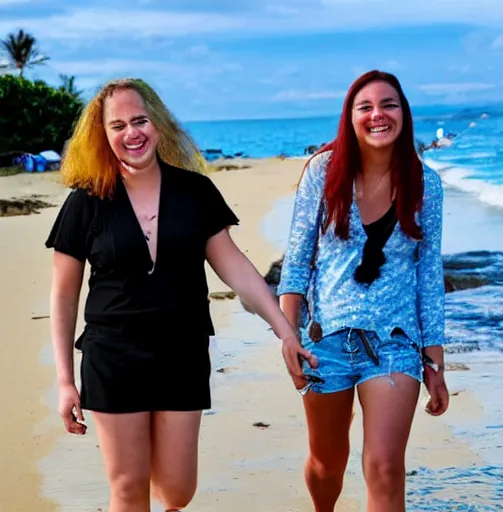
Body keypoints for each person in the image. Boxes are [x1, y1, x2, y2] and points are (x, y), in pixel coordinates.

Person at [45, 77, 316, 512]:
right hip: (113, 355)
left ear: (158, 125)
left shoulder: (195, 192)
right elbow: (63, 298)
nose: (132, 133)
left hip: (182, 354)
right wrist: (64, 380)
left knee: (177, 491)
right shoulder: (87, 201)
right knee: (129, 488)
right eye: (118, 126)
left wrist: (285, 330)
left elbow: (238, 270)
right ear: (102, 135)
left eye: (140, 120)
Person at [277, 70, 450, 512]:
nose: (378, 115)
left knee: (385, 466)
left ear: (404, 114)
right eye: (366, 107)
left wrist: (434, 360)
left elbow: (429, 276)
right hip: (325, 340)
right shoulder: (323, 171)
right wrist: (288, 336)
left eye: (389, 105)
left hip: (396, 343)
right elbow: (297, 262)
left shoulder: (426, 184)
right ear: (350, 117)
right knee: (326, 464)